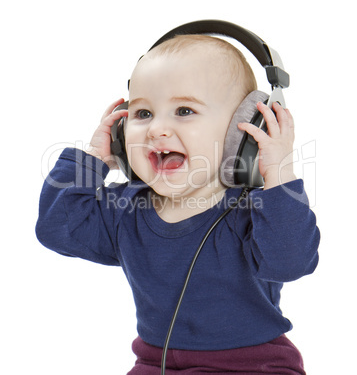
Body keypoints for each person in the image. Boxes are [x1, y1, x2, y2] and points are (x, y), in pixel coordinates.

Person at [36, 34, 320, 374]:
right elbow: (58, 228)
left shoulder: (254, 213)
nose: (157, 128)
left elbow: (291, 262)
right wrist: (93, 160)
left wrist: (277, 173)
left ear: (241, 134)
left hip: (253, 365)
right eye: (142, 113)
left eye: (184, 110)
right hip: (156, 364)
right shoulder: (126, 209)